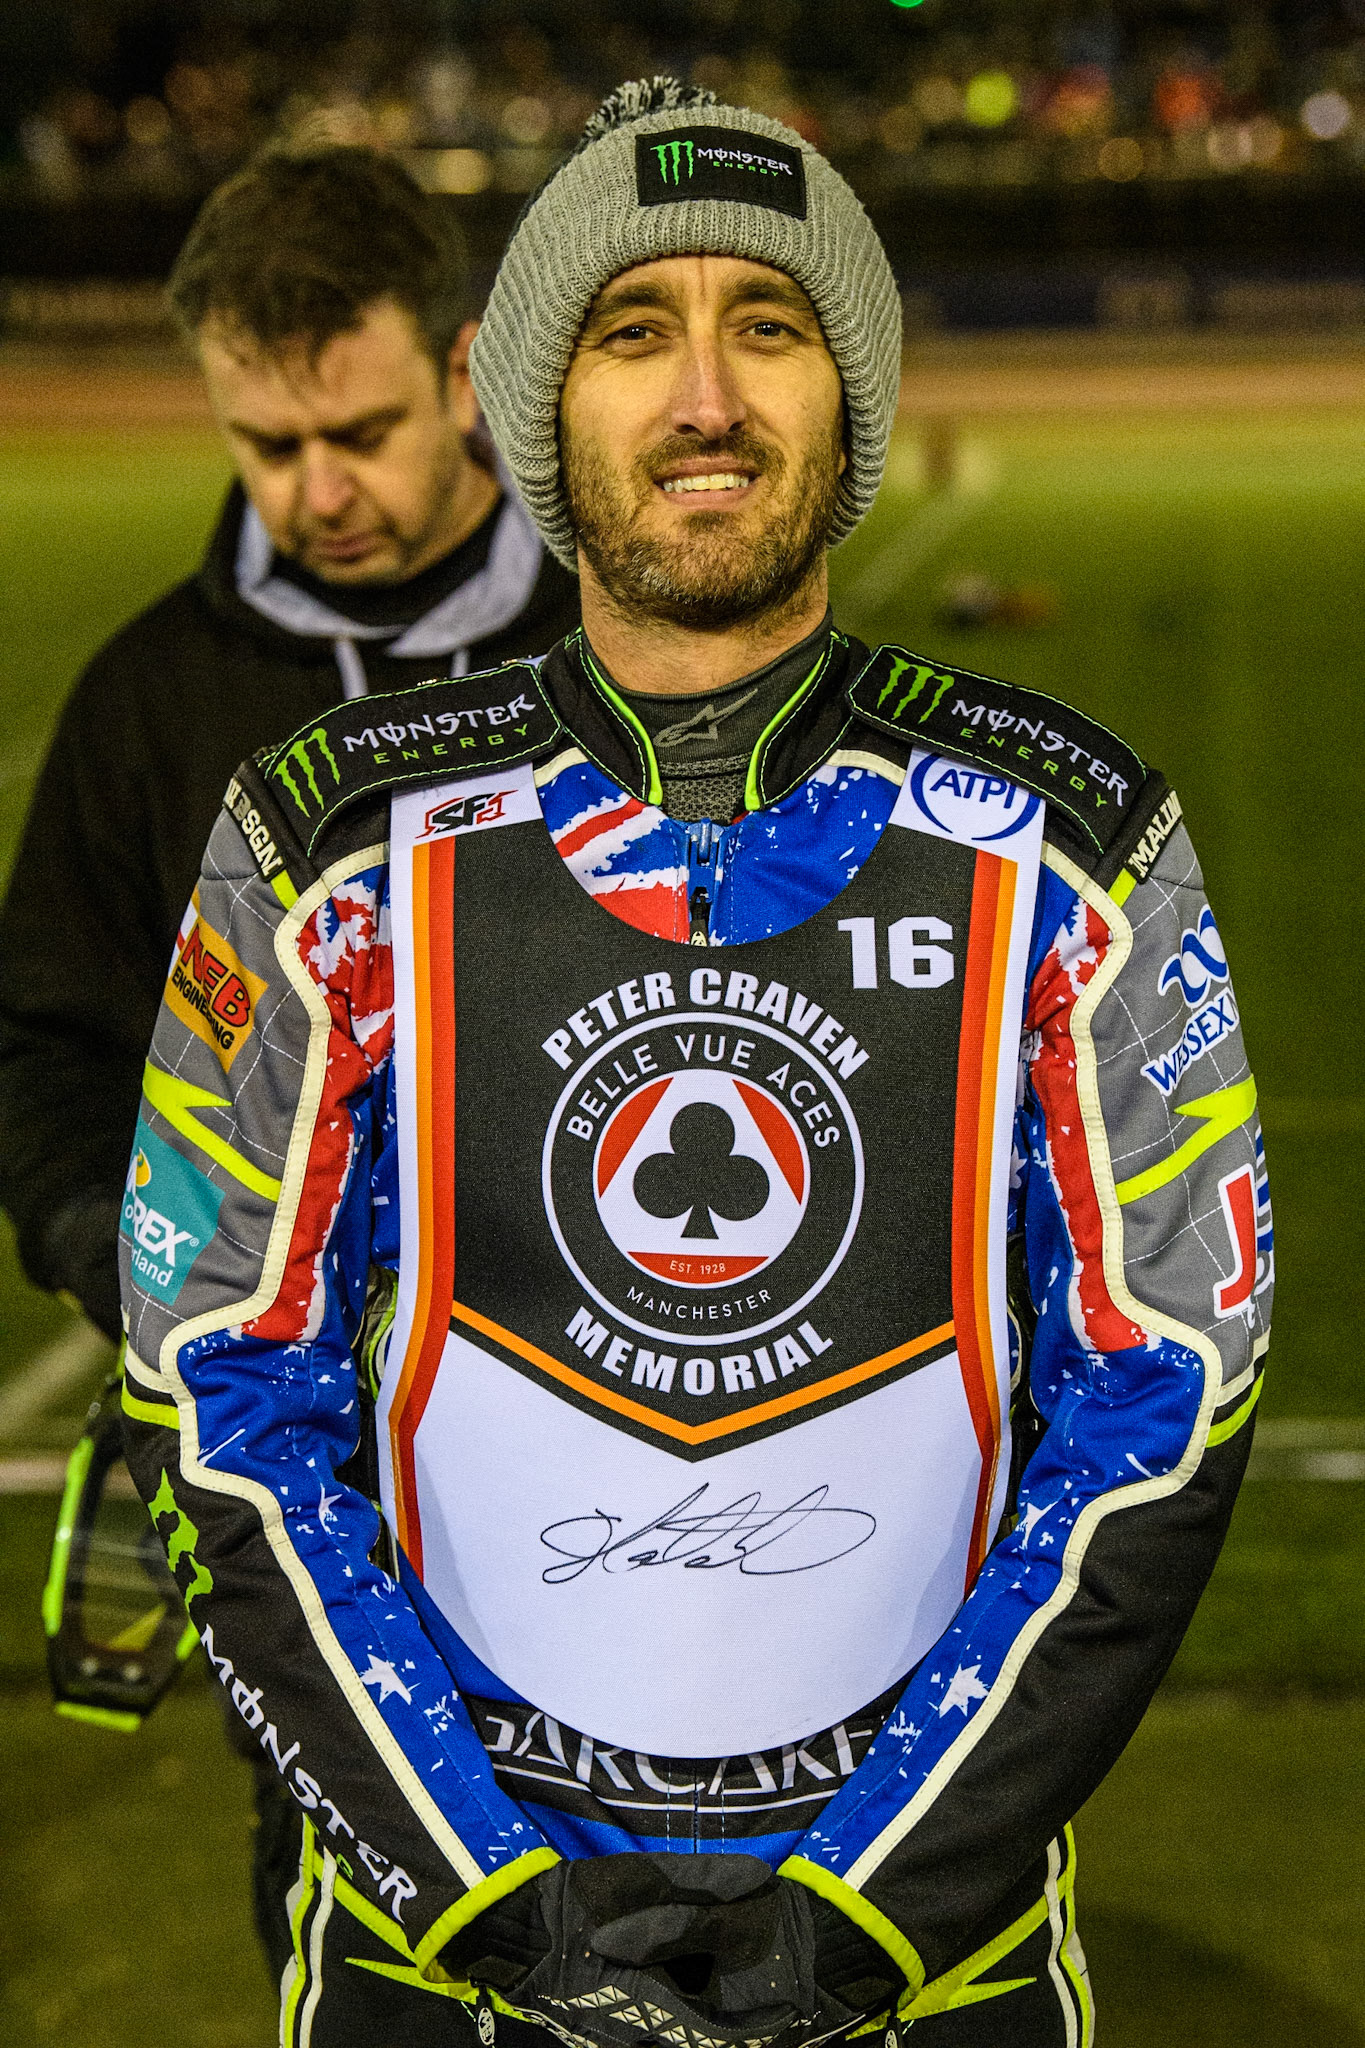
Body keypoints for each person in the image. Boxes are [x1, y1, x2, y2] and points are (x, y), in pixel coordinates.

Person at [120, 80, 1272, 2046]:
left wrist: (878, 1907)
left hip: (933, 1952)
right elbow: (219, 1380)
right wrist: (472, 1885)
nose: (707, 399)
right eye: (635, 330)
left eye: (771, 325)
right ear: (545, 406)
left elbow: (1170, 1385)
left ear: (854, 393)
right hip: (440, 1949)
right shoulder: (331, 835)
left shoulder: (1067, 836)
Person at [0, 143, 577, 1345]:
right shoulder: (145, 701)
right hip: (268, 1379)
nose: (319, 493)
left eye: (360, 433)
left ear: (466, 377)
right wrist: (114, 1251)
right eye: (270, 445)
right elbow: (48, 1045)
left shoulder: (626, 646)